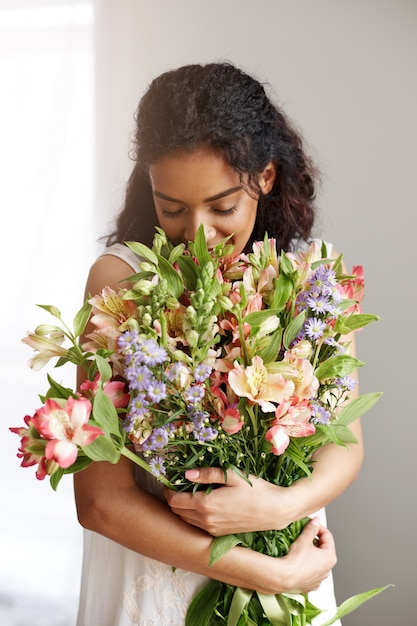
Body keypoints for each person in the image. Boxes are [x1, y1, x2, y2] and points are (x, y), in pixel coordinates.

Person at [74, 62, 363, 626]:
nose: (198, 236)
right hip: (165, 578)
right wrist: (268, 574)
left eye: (223, 207)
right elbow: (100, 502)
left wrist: (280, 507)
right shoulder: (118, 283)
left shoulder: (314, 279)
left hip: (289, 560)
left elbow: (345, 443)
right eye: (172, 209)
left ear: (268, 176)